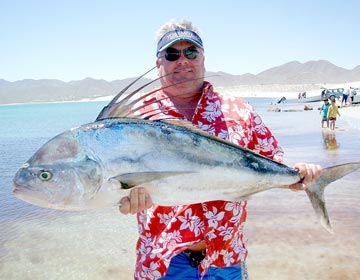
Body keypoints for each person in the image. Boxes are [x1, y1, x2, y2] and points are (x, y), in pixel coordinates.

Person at [119, 19, 322, 280]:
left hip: (226, 259)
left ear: (203, 58)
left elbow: (269, 166)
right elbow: (114, 184)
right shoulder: (135, 118)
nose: (183, 60)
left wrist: (296, 176)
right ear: (159, 63)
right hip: (163, 262)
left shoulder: (239, 111)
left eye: (191, 52)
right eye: (172, 53)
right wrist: (123, 202)